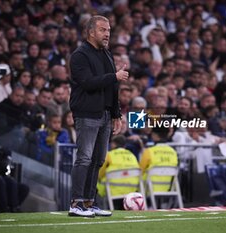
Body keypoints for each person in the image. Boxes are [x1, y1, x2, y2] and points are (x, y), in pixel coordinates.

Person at [68, 15, 128, 217]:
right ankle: (76, 203)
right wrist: (115, 76)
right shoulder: (80, 55)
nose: (107, 34)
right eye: (103, 30)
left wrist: (116, 113)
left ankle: (89, 202)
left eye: (109, 30)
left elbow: (113, 87)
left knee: (98, 160)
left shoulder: (107, 54)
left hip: (104, 114)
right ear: (91, 31)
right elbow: (87, 83)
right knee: (84, 158)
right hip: (86, 113)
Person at [97, 135, 140, 210]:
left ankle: (98, 208)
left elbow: (100, 174)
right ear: (124, 145)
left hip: (113, 190)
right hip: (132, 190)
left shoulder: (109, 155)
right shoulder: (132, 155)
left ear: (114, 144)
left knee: (96, 183)